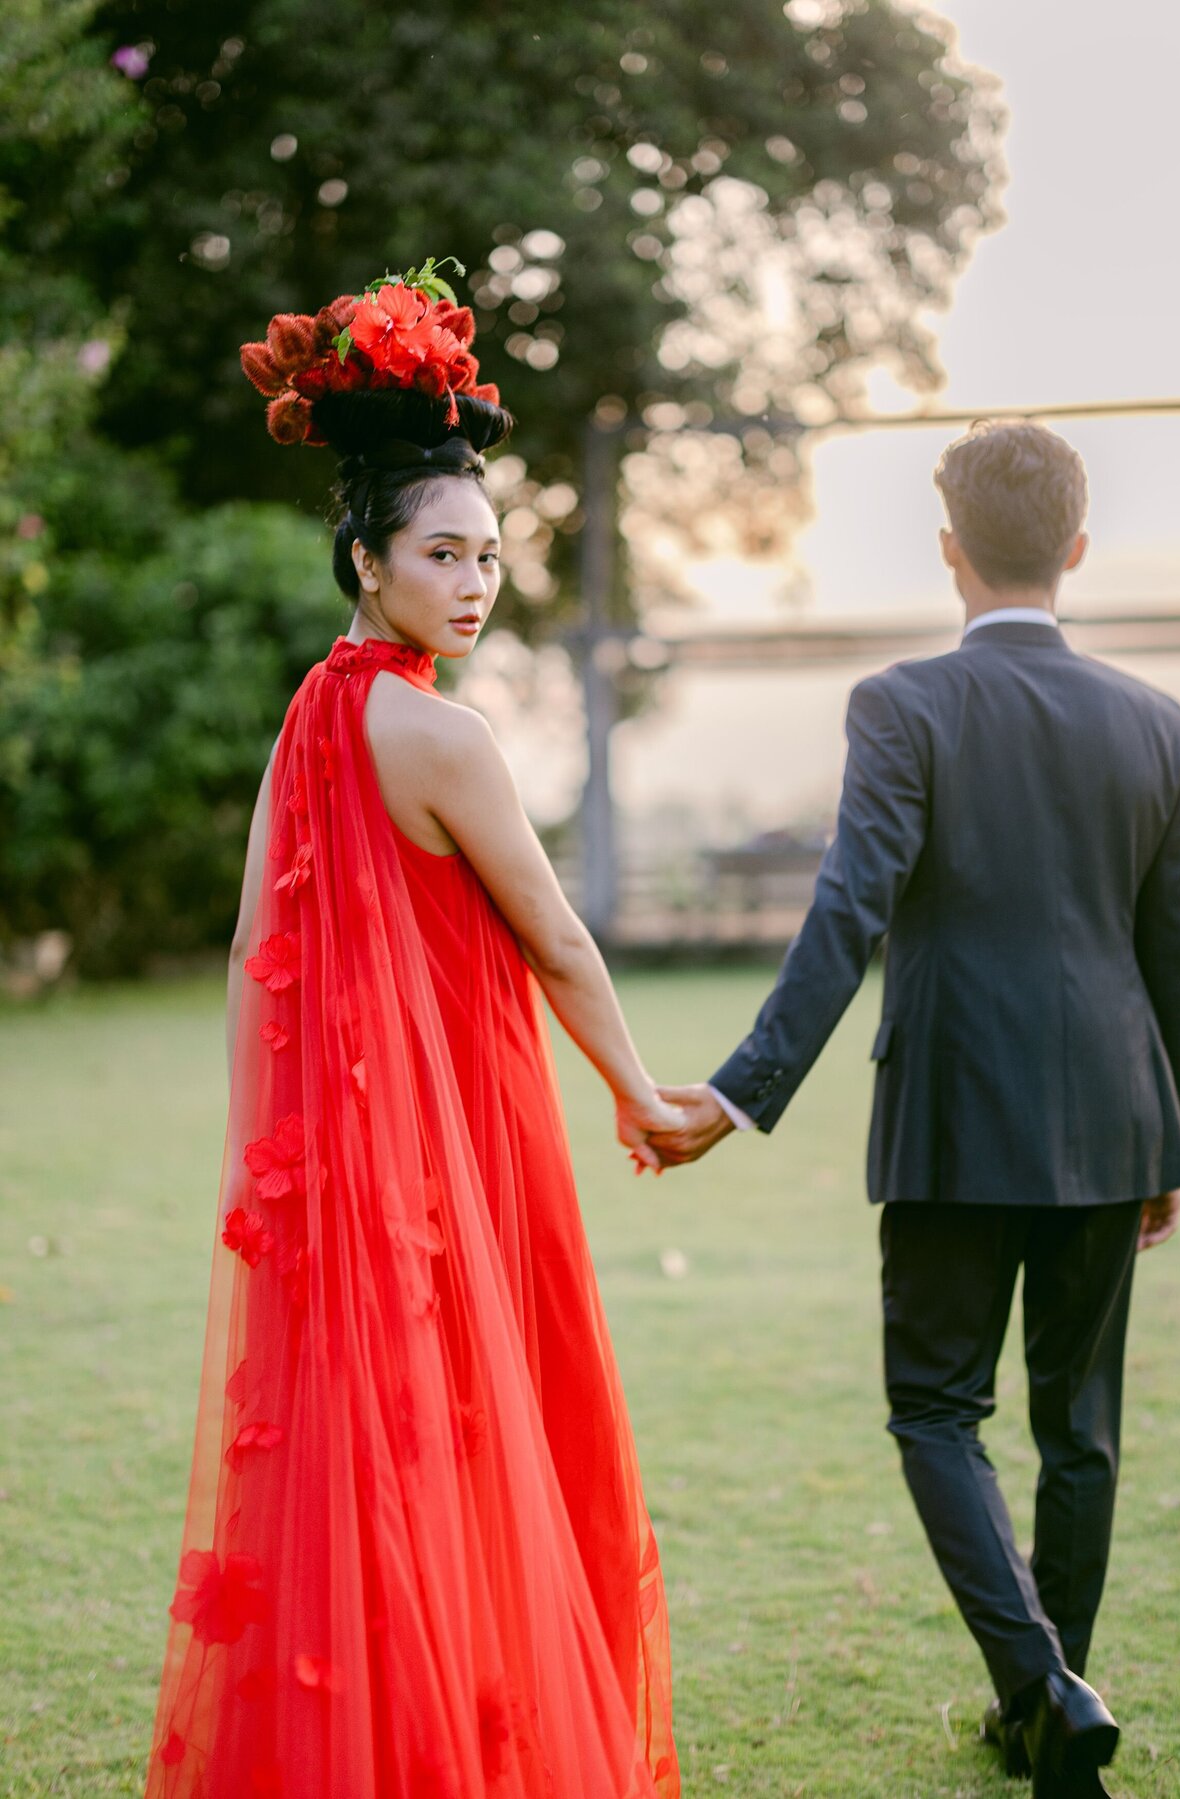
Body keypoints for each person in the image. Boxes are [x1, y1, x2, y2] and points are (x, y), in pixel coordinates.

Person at [143, 266, 681, 1798]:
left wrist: (288, 1153)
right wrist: (638, 1093)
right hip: (461, 1152)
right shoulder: (443, 735)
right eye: (441, 554)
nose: (474, 582)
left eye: (491, 556)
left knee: (376, 1457)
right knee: (487, 1434)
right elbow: (558, 938)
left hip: (348, 1173)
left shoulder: (317, 718)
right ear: (367, 563)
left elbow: (258, 948)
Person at [649, 420, 1180, 1798]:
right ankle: (1050, 1700)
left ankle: (1040, 1694)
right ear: (1077, 550)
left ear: (949, 550)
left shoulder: (904, 704)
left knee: (934, 1410)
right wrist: (1174, 1135)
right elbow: (1179, 946)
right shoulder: (1159, 722)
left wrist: (738, 1089)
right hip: (1113, 1117)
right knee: (1080, 1428)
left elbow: (851, 909)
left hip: (955, 1114)